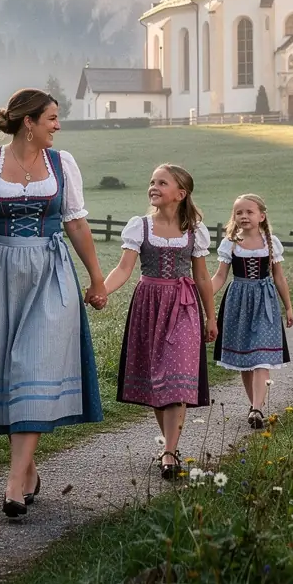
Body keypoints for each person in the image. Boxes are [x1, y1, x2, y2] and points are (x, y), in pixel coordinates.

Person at [0, 88, 107, 518]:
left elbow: (76, 224)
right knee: (10, 374)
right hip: (1, 271)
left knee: (32, 364)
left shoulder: (63, 164)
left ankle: (12, 485)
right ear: (30, 122)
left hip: (50, 270)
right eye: (52, 119)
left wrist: (96, 279)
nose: (58, 126)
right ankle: (28, 470)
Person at [104, 164, 217, 480]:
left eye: (161, 182)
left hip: (183, 306)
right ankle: (170, 446)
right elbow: (124, 269)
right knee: (158, 379)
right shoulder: (139, 226)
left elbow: (203, 276)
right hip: (149, 305)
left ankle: (169, 451)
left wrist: (211, 316)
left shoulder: (195, 231)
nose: (153, 186)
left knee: (178, 375)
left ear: (180, 194)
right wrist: (102, 290)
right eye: (151, 181)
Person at [210, 193, 293, 430]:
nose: (244, 216)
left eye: (249, 212)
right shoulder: (230, 243)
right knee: (245, 358)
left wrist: (288, 306)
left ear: (261, 216)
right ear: (233, 217)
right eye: (239, 212)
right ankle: (255, 407)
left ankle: (257, 408)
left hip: (265, 300)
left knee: (262, 356)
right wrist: (202, 297)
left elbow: (279, 277)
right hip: (238, 301)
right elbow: (219, 277)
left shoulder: (271, 243)